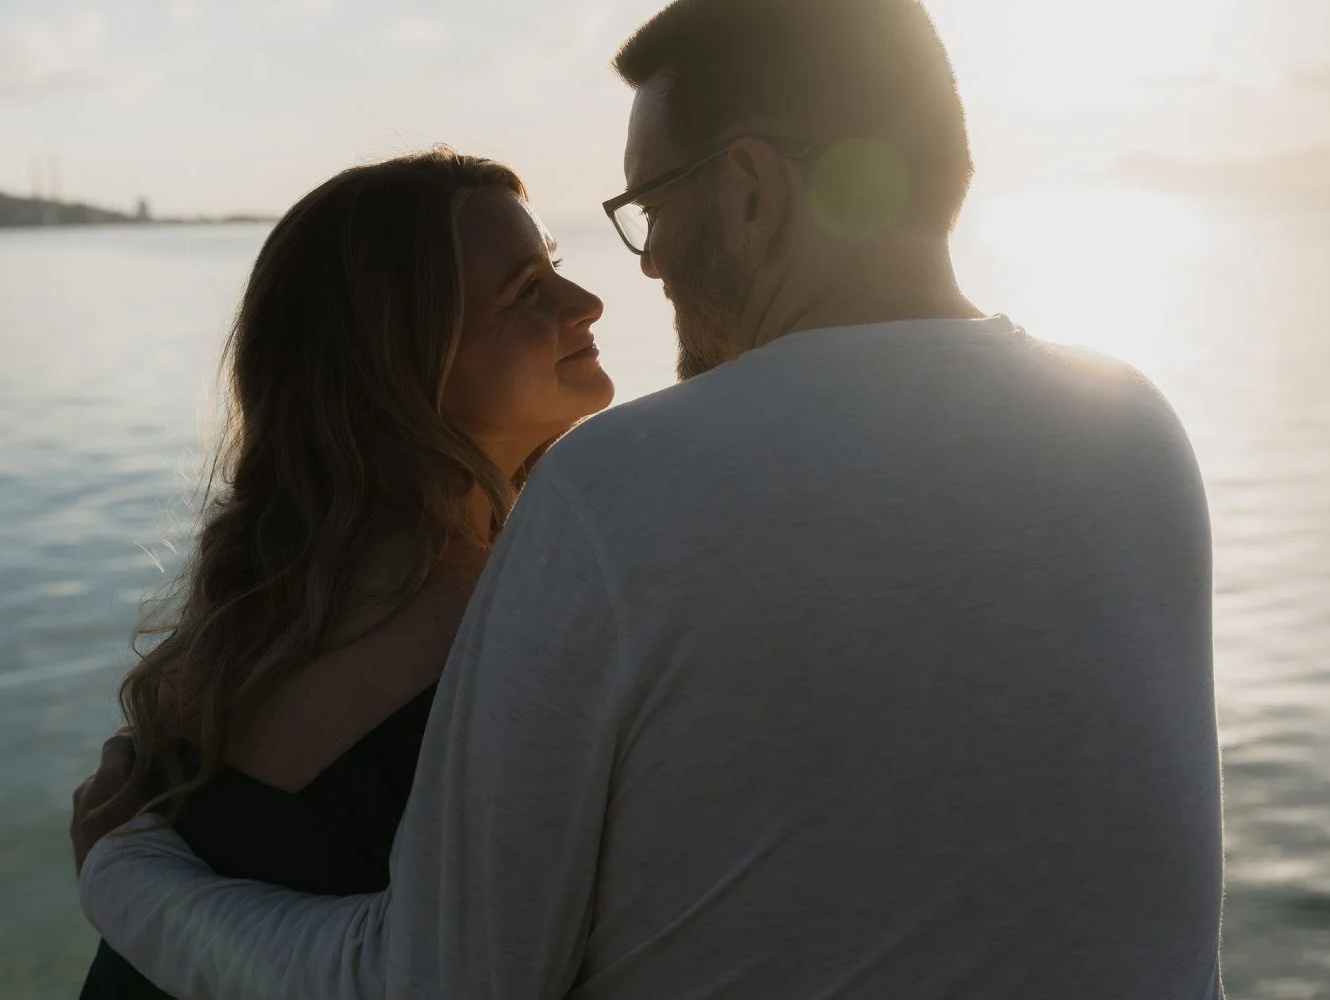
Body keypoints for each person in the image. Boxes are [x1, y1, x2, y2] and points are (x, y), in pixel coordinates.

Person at [73, 0, 1226, 997]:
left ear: (752, 190)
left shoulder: (619, 492)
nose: (640, 266)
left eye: (649, 205)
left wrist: (122, 870)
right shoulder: (1134, 426)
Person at [71, 149, 613, 998]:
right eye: (524, 292)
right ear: (401, 365)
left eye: (557, 272)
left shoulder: (258, 605)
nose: (587, 303)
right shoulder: (509, 622)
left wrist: (116, 873)